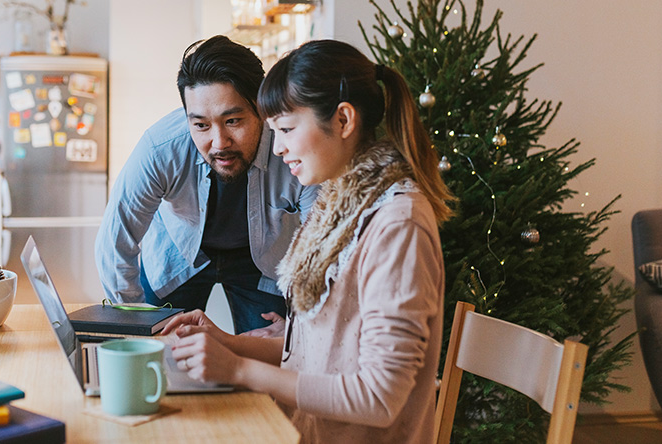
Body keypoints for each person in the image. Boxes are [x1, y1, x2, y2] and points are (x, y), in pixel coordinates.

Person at [161, 39, 454, 444]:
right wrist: (228, 344)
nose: (278, 149)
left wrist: (239, 370)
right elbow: (326, 355)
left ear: (343, 121)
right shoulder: (342, 209)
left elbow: (379, 399)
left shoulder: (397, 225)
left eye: (285, 129)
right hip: (302, 430)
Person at [95, 35, 318, 334]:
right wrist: (135, 327)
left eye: (233, 121)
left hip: (262, 259)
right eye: (200, 125)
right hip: (176, 253)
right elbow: (115, 241)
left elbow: (326, 249)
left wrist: (300, 326)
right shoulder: (161, 147)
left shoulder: (293, 148)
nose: (219, 142)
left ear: (261, 108)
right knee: (162, 355)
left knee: (271, 352)